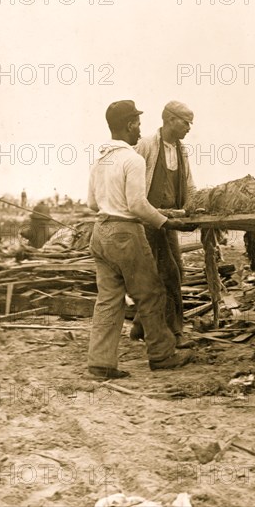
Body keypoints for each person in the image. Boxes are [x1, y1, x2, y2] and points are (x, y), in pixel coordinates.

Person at [86, 100, 193, 380]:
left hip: (100, 233)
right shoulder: (133, 159)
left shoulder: (101, 159)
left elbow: (91, 202)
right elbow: (137, 204)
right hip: (125, 232)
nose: (139, 129)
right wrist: (166, 222)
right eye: (137, 124)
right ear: (130, 125)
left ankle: (100, 363)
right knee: (152, 293)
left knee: (108, 300)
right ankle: (162, 355)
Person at [129, 100, 197, 348]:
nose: (189, 127)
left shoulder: (182, 151)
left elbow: (189, 184)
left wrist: (193, 208)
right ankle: (173, 333)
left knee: (174, 269)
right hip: (147, 220)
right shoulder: (145, 145)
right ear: (170, 120)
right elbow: (132, 182)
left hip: (170, 221)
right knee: (157, 274)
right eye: (186, 122)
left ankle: (141, 325)